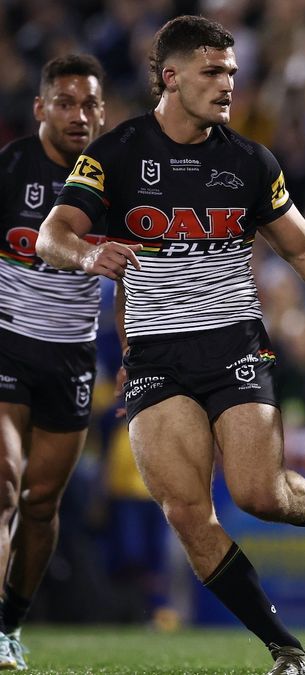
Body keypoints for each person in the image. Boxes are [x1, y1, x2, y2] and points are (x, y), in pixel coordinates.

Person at [36, 16, 305, 675]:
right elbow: (51, 233)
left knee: (259, 493)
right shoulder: (115, 154)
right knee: (187, 512)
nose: (228, 83)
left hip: (232, 342)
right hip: (154, 356)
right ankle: (289, 650)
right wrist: (88, 255)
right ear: (171, 77)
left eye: (231, 71)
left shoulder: (249, 162)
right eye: (212, 72)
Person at [0, 54, 107, 670]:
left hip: (71, 357)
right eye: (64, 102)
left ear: (103, 111)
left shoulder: (114, 179)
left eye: (89, 104)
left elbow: (137, 272)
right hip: (7, 343)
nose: (78, 115)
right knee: (4, 486)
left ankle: (12, 623)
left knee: (42, 505)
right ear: (41, 108)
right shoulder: (12, 168)